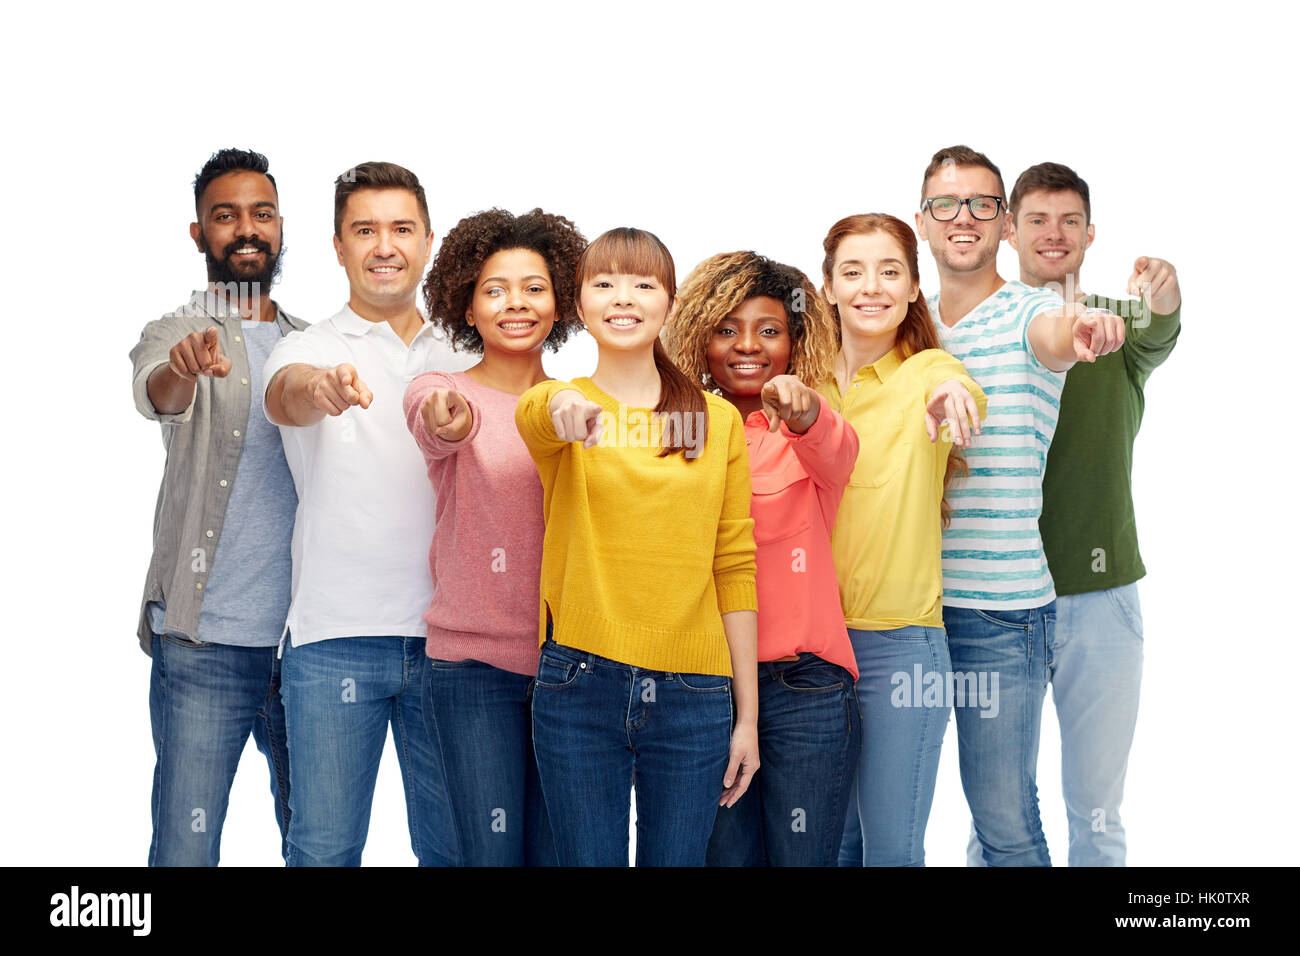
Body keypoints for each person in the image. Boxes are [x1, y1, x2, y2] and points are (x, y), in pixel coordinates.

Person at [515, 227, 760, 867]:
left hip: (696, 695)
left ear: (670, 305)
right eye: (604, 283)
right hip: (579, 681)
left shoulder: (718, 422)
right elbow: (540, 411)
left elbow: (734, 567)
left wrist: (748, 719)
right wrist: (566, 404)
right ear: (579, 304)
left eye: (643, 284)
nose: (623, 298)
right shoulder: (561, 409)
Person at [915, 145, 1126, 866]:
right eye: (947, 204)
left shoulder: (1034, 310)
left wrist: (1088, 331)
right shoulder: (906, 325)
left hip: (998, 612)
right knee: (871, 818)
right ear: (924, 221)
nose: (963, 218)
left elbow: (1060, 335)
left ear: (1002, 224)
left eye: (980, 204)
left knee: (1004, 821)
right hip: (896, 609)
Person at [263, 161, 468, 866]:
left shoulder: (466, 352)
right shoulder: (309, 348)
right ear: (338, 246)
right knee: (323, 852)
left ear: (428, 239)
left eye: (401, 228)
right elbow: (285, 394)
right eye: (365, 230)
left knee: (454, 852)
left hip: (452, 646)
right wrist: (320, 388)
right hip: (333, 639)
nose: (385, 245)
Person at [130, 147, 306, 866]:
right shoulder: (177, 332)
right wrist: (182, 369)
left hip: (308, 649)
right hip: (203, 645)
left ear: (280, 227)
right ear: (199, 234)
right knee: (186, 848)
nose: (246, 228)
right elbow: (155, 390)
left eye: (260, 213)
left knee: (317, 844)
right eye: (224, 215)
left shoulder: (313, 345)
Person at [1008, 161, 1181, 866]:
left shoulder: (1115, 322)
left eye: (1069, 220)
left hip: (1103, 600)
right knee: (1003, 814)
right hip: (998, 604)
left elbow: (1160, 328)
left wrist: (1164, 295)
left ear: (1090, 233)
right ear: (1009, 233)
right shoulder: (983, 329)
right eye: (1038, 220)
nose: (1054, 234)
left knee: (1099, 815)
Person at [402, 208, 587, 866]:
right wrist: (446, 421)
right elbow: (434, 421)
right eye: (495, 288)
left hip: (570, 670)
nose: (517, 303)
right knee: (491, 854)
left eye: (535, 288)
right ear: (468, 305)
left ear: (561, 300)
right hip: (473, 671)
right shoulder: (445, 389)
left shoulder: (576, 404)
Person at [665, 251, 860, 866]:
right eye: (727, 329)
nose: (747, 346)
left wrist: (803, 410)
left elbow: (831, 443)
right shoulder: (678, 431)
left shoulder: (811, 429)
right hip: (708, 686)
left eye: (768, 330)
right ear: (702, 337)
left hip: (806, 686)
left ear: (794, 341)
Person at [816, 215, 987, 867]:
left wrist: (950, 397)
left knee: (889, 849)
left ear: (915, 287)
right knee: (832, 848)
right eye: (853, 271)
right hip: (812, 652)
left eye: (890, 272)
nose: (871, 287)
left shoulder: (927, 372)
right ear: (828, 286)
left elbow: (960, 391)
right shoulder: (806, 387)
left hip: (900, 652)